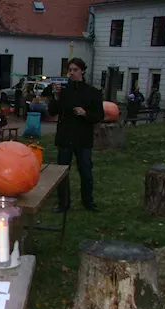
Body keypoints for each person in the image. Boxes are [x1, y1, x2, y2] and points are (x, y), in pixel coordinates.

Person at [49, 57, 105, 213]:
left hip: (83, 137)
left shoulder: (92, 92)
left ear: (82, 71)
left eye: (75, 70)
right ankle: (63, 204)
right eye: (70, 70)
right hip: (65, 137)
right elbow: (53, 111)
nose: (72, 73)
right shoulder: (64, 91)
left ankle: (88, 202)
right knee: (62, 173)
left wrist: (85, 113)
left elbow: (99, 115)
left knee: (86, 171)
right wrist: (55, 97)